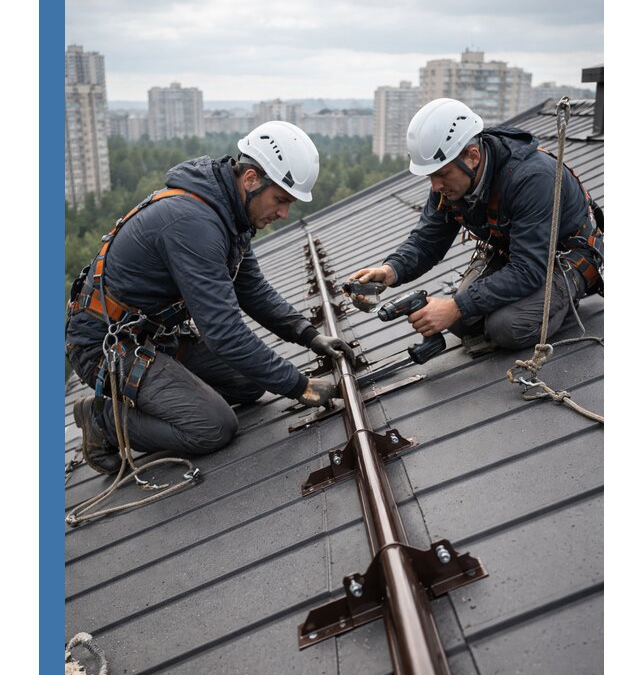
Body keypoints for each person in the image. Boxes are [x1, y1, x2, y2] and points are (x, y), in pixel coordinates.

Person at [66, 121, 353, 474]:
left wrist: (307, 335)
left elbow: (252, 290)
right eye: (280, 200)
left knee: (250, 383)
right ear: (251, 180)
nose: (283, 214)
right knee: (213, 426)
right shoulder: (193, 223)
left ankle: (161, 391)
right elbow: (225, 333)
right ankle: (103, 419)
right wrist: (300, 386)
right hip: (104, 345)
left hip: (150, 336)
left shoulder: (230, 216)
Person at [347, 98, 603, 355]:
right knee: (461, 322)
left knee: (507, 327)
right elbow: (428, 240)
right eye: (430, 176)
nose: (435, 187)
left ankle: (564, 302)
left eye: (441, 174)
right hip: (516, 254)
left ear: (472, 156)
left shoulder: (533, 178)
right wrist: (390, 270)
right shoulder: (451, 182)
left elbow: (529, 268)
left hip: (564, 257)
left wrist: (457, 305)